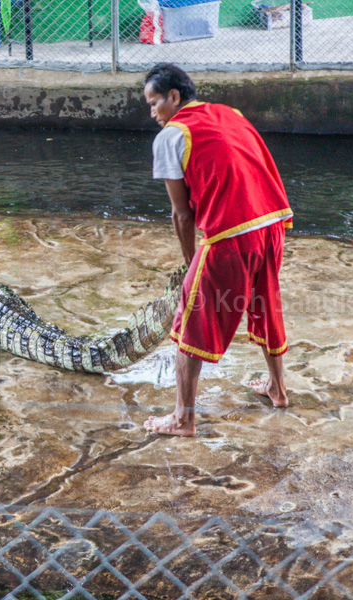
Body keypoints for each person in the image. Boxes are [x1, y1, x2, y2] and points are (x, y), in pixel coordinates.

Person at [141, 63, 292, 437]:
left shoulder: (170, 137)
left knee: (191, 321)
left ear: (173, 97)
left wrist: (191, 262)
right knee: (264, 304)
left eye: (154, 102)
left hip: (231, 234)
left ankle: (182, 419)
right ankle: (278, 389)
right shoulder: (229, 113)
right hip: (271, 222)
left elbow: (182, 214)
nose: (152, 113)